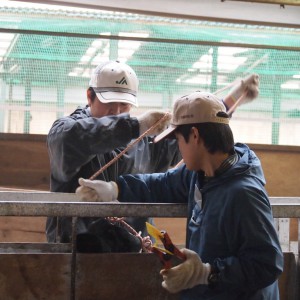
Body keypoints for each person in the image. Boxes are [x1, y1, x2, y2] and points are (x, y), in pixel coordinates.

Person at [76, 91, 283, 299]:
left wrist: (208, 273)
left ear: (194, 135)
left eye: (178, 140)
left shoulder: (244, 194)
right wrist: (115, 188)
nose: (179, 149)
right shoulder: (199, 174)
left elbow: (267, 263)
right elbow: (162, 183)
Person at [46, 59, 259, 251]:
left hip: (134, 250)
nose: (117, 110)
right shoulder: (66, 132)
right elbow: (77, 138)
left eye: (124, 104)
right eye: (109, 103)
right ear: (89, 96)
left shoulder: (145, 141)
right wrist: (134, 126)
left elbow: (189, 137)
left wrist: (233, 100)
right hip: (78, 251)